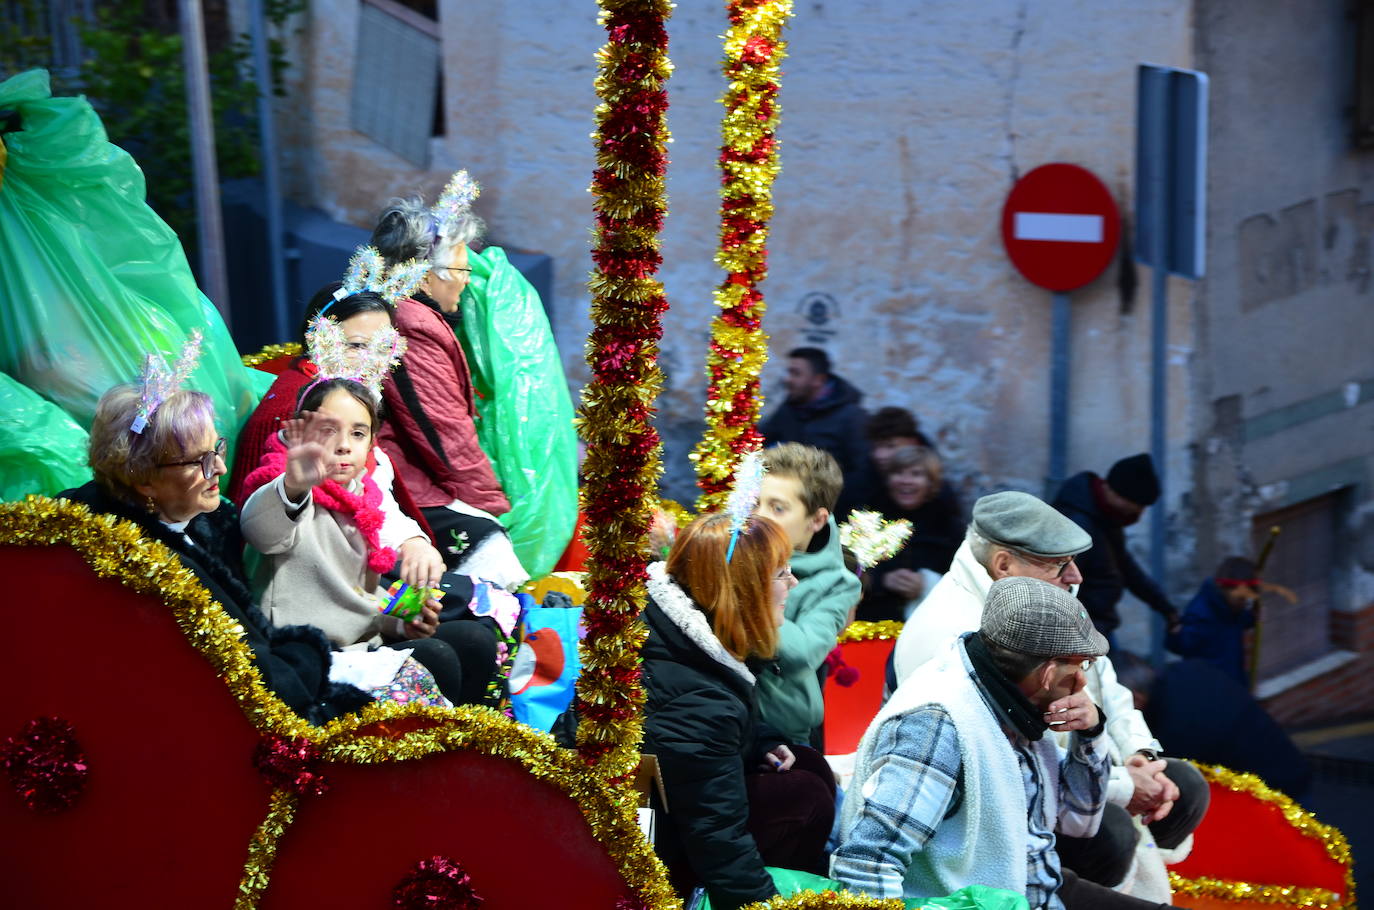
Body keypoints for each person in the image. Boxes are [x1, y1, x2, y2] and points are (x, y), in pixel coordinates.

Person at [891, 491, 1209, 891]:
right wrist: (1124, 787)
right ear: (1004, 564)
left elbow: (1104, 681)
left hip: (1075, 765)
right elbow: (1004, 761)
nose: (1076, 577)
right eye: (1060, 565)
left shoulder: (1049, 594)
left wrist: (1140, 755)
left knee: (1185, 784)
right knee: (1110, 831)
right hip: (985, 802)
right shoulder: (949, 629)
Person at [832, 576, 1164, 909]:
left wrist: (1090, 734)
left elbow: (1080, 819)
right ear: (1048, 673)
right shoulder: (938, 723)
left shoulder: (1013, 699)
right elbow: (866, 862)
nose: (1082, 681)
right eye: (1082, 665)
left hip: (1040, 891)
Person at [60, 383, 374, 725]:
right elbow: (253, 685)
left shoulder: (206, 519)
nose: (221, 469)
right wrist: (309, 653)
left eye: (218, 449)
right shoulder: (147, 566)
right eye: (201, 461)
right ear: (144, 478)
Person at [240, 376, 497, 707]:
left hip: (362, 643)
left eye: (357, 434)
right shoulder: (287, 491)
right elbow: (261, 532)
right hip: (311, 657)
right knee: (437, 656)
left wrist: (404, 622)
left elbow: (358, 601)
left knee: (475, 639)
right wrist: (292, 484)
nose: (344, 445)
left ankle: (477, 746)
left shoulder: (362, 495)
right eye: (328, 431)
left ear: (372, 444)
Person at [641, 513, 836, 910]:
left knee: (809, 765)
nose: (793, 583)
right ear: (744, 589)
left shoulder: (684, 638)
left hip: (667, 814)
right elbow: (715, 835)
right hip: (653, 858)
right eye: (782, 573)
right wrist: (763, 905)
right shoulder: (699, 699)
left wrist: (763, 740)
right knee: (804, 794)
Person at [369, 183, 527, 589]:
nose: (467, 282)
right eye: (460, 271)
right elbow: (443, 432)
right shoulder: (410, 325)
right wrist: (490, 504)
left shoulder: (408, 315)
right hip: (396, 481)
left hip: (404, 471)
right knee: (493, 553)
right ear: (424, 277)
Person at [753, 444, 863, 748]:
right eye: (755, 503)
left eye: (777, 508)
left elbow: (803, 651)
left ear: (816, 520)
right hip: (721, 720)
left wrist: (751, 592)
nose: (759, 517)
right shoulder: (731, 551)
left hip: (785, 740)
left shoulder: (838, 584)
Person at [1112, 652, 1312, 800]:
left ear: (1135, 698)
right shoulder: (1190, 667)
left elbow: (1175, 788)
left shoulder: (1173, 729)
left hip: (1273, 793)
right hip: (1288, 761)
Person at [1052, 453, 1181, 644]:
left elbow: (1128, 569)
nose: (1139, 512)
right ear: (1115, 492)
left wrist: (1166, 608)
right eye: (1137, 504)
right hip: (1082, 632)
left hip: (1096, 627)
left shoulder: (1106, 519)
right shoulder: (1080, 523)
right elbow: (1058, 583)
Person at [856, 445, 963, 622]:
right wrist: (880, 581)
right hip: (871, 623)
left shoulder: (948, 525)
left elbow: (963, 580)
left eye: (916, 474)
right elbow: (844, 571)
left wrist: (927, 584)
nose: (906, 481)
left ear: (931, 483)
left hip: (929, 624)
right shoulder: (867, 519)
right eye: (898, 473)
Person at [758, 347, 870, 515]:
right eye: (789, 372)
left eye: (796, 374)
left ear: (818, 380)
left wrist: (822, 500)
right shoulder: (789, 409)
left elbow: (863, 473)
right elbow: (759, 440)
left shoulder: (852, 417)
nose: (788, 380)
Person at [1167, 556, 1260, 686]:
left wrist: (1251, 617)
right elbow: (1181, 644)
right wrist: (1174, 634)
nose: (1244, 603)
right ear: (1224, 588)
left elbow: (1238, 622)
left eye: (1246, 599)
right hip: (1210, 688)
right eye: (1241, 598)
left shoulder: (1233, 611)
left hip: (1233, 683)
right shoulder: (1201, 616)